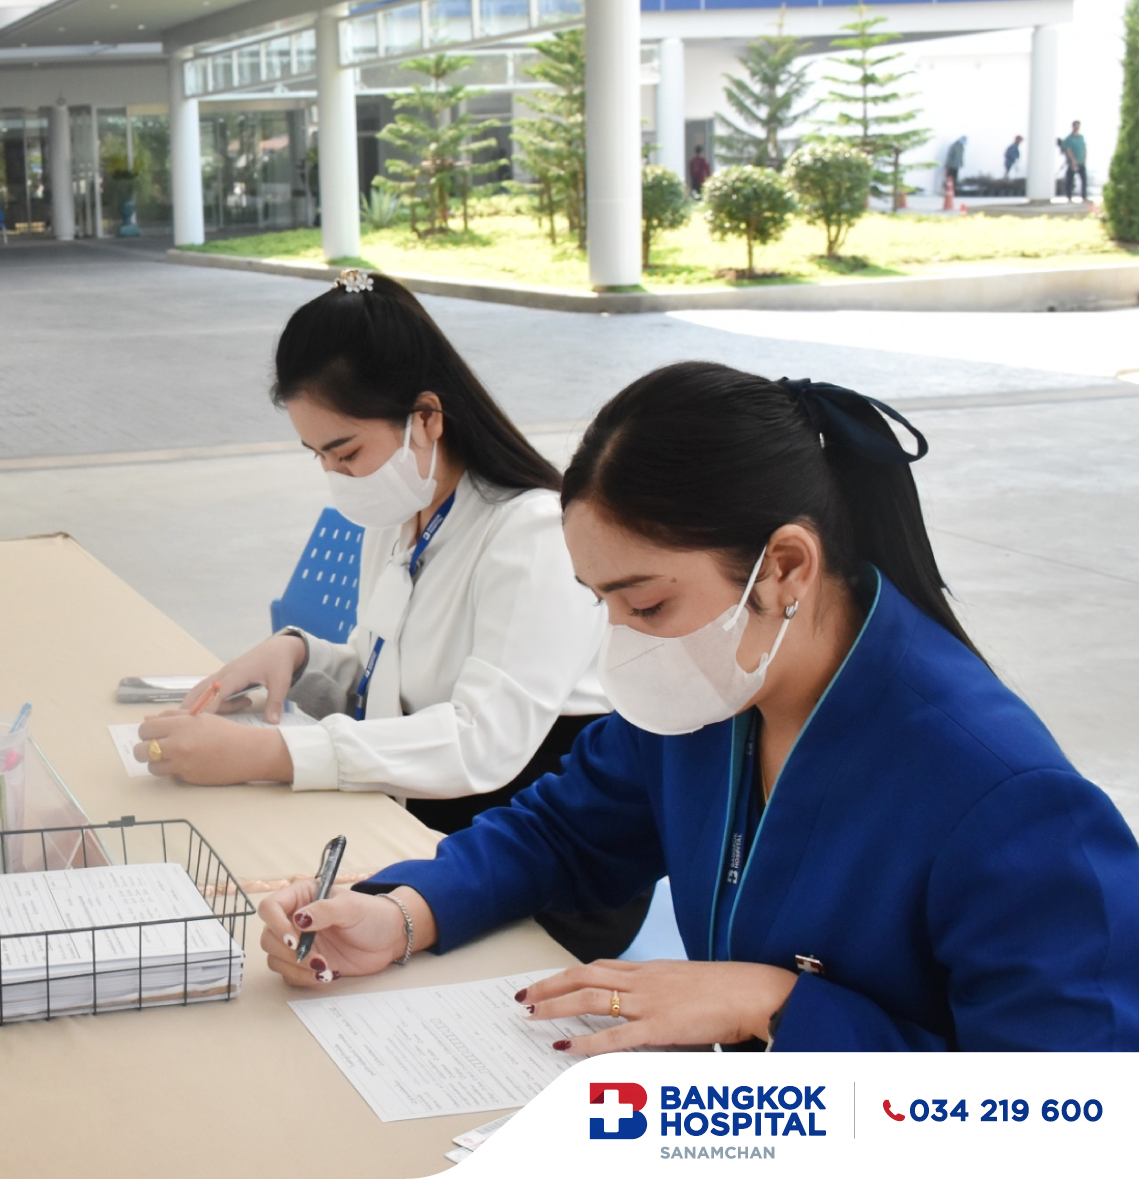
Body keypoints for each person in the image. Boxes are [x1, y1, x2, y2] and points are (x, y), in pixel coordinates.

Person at [257, 361, 1139, 1051]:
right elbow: (561, 834)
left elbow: (1063, 1117)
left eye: (645, 604)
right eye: (599, 601)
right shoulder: (715, 692)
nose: (623, 643)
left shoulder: (1007, 801)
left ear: (784, 568)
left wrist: (778, 1005)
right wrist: (403, 913)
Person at [137, 271, 642, 951]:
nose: (334, 475)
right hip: (423, 820)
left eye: (345, 451)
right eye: (317, 455)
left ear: (426, 417)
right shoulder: (400, 514)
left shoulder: (532, 533)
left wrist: (268, 752)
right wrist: (300, 655)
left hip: (534, 857)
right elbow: (387, 672)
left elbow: (480, 741)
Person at [1059, 121, 1088, 203]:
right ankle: (1069, 197)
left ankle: (1084, 196)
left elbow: (1084, 147)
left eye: (1078, 126)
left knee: (1084, 179)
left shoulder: (1081, 137)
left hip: (1081, 162)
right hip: (1072, 163)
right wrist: (1073, 160)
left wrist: (1085, 158)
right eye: (1076, 126)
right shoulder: (1069, 138)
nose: (1077, 128)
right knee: (1070, 180)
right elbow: (1068, 150)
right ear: (1073, 127)